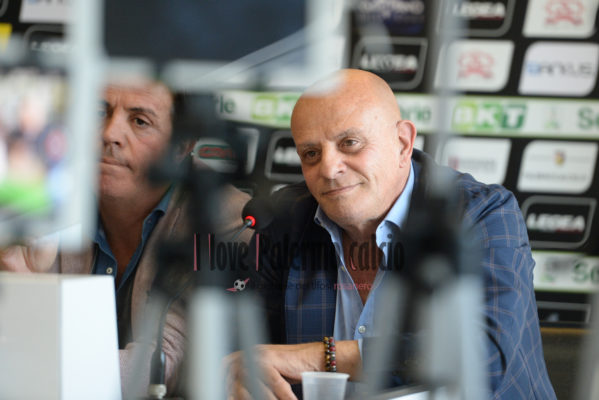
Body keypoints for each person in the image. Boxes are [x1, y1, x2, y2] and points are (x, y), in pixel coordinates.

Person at [226, 69, 556, 399]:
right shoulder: (286, 219)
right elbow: (253, 347)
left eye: (349, 143)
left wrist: (320, 357)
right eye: (311, 153)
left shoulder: (479, 213)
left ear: (402, 143)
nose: (328, 168)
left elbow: (481, 356)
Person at [0, 80, 251, 396]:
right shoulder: (44, 190)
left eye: (140, 121)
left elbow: (163, 363)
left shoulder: (223, 217)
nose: (109, 133)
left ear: (182, 144)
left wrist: (33, 361)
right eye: (98, 112)